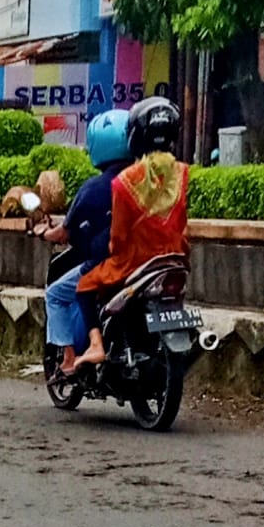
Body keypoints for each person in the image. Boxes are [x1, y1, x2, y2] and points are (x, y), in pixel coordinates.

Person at [73, 97, 190, 370]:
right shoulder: (182, 173)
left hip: (134, 262)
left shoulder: (124, 182)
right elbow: (183, 221)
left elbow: (119, 237)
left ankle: (96, 345)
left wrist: (113, 250)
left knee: (84, 287)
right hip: (174, 258)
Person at [39, 110, 132, 375]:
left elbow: (63, 234)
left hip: (110, 263)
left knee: (57, 293)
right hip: (149, 260)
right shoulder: (147, 182)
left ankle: (71, 357)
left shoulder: (94, 188)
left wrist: (42, 233)